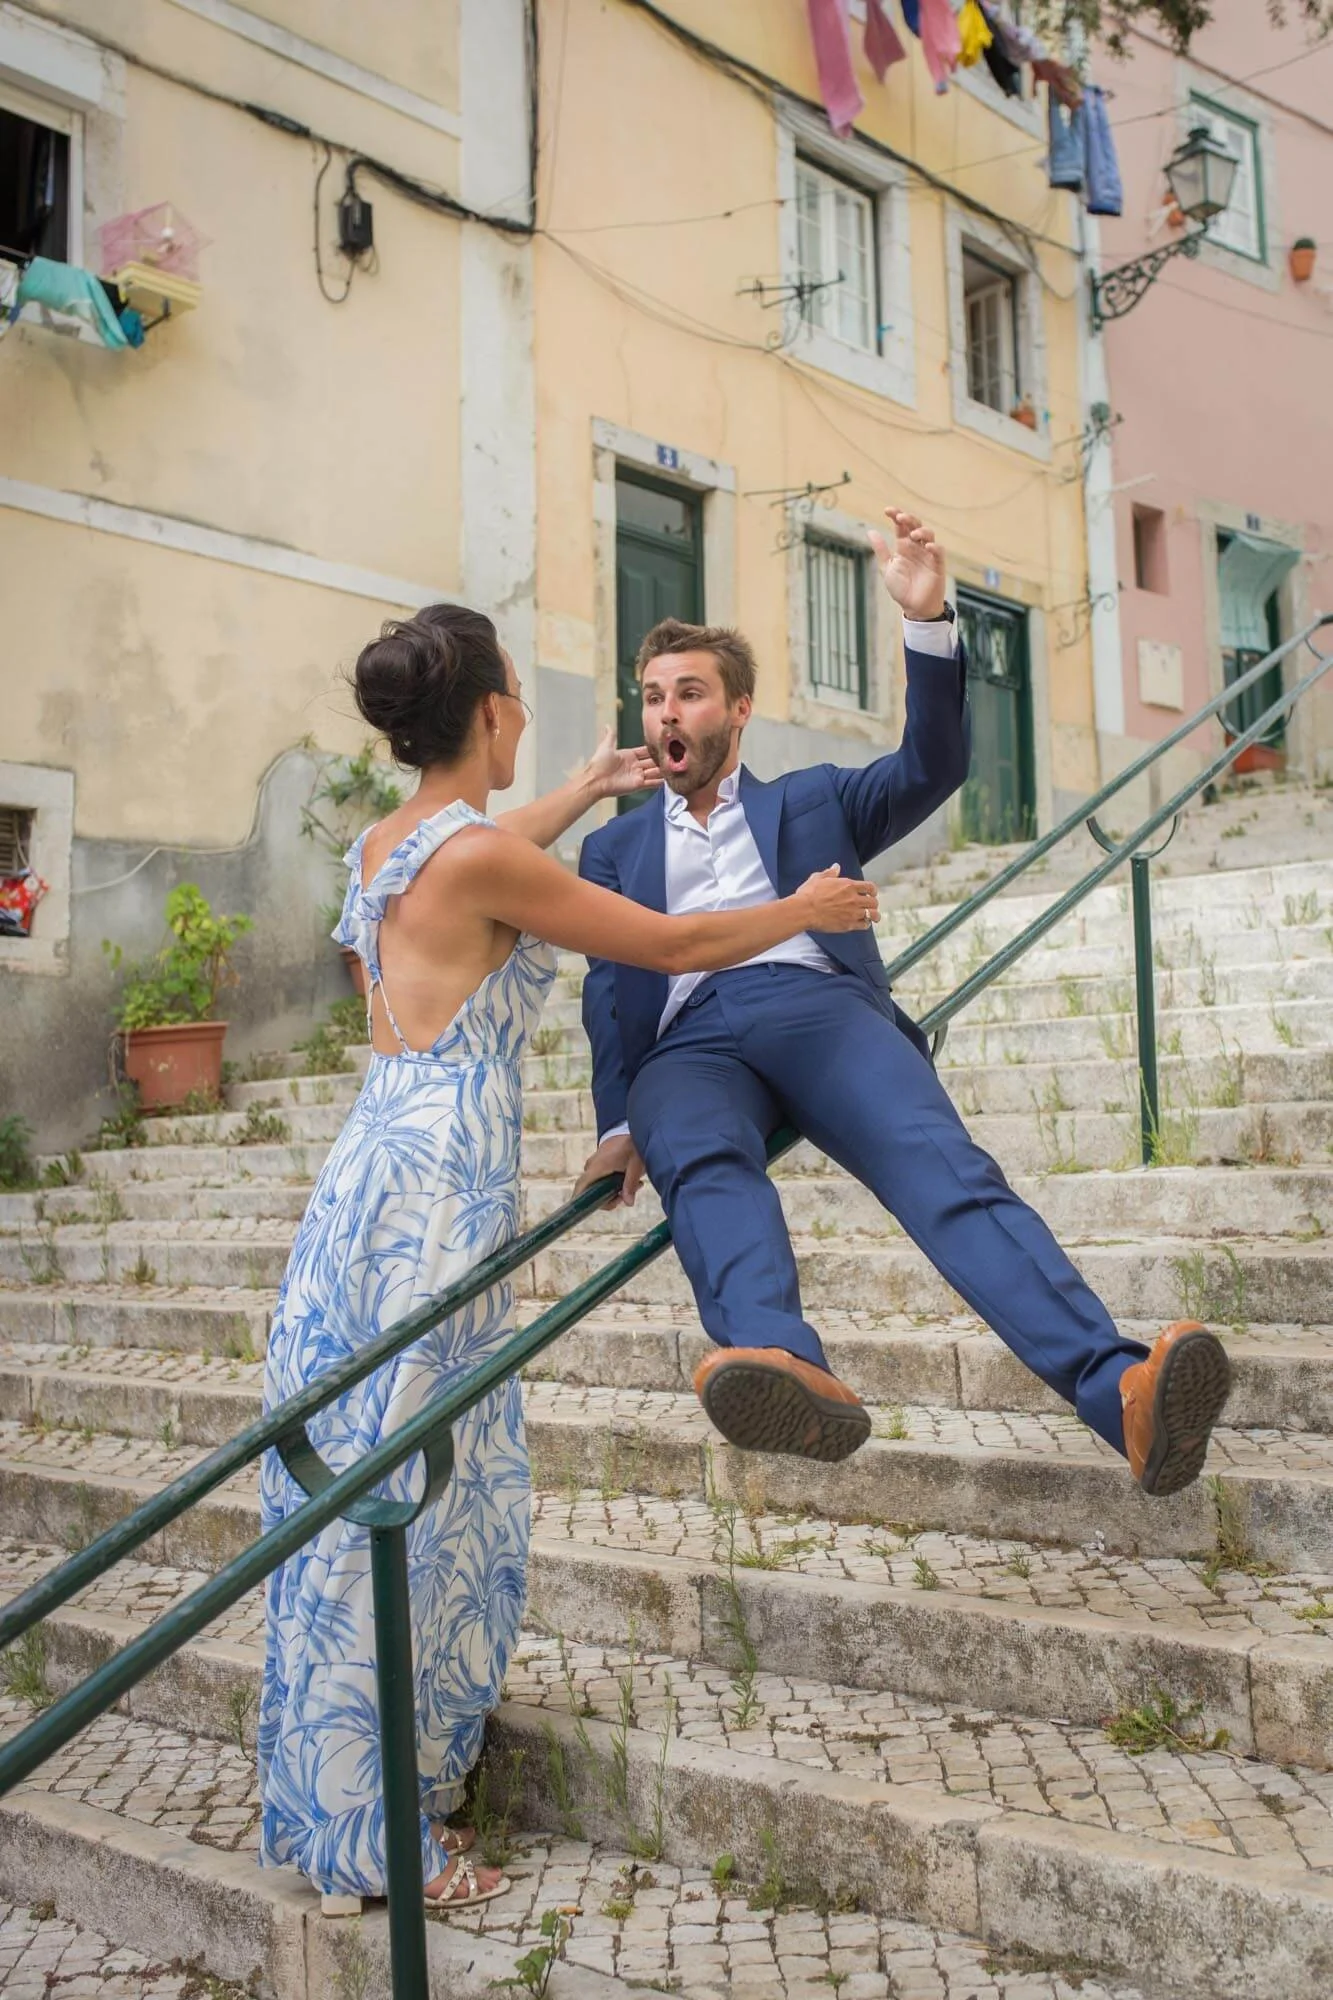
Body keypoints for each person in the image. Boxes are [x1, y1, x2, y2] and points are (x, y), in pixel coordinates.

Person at [257, 603, 877, 1913]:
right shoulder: (480, 857)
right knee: (415, 1488)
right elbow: (662, 943)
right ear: (487, 713)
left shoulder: (396, 844)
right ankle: (385, 1840)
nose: (530, 720)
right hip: (437, 1184)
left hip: (370, 1159)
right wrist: (800, 907)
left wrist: (591, 785)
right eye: (516, 706)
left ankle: (346, 1795)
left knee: (375, 1460)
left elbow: (485, 854)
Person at [574, 507, 1232, 1489]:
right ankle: (778, 1362)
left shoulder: (813, 800)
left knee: (945, 1176)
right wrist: (616, 1114)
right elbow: (604, 985)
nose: (668, 713)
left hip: (817, 1006)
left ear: (739, 709)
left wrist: (927, 624)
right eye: (654, 697)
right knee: (704, 1161)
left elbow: (933, 766)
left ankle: (1123, 1392)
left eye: (692, 693)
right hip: (686, 1046)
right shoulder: (613, 848)